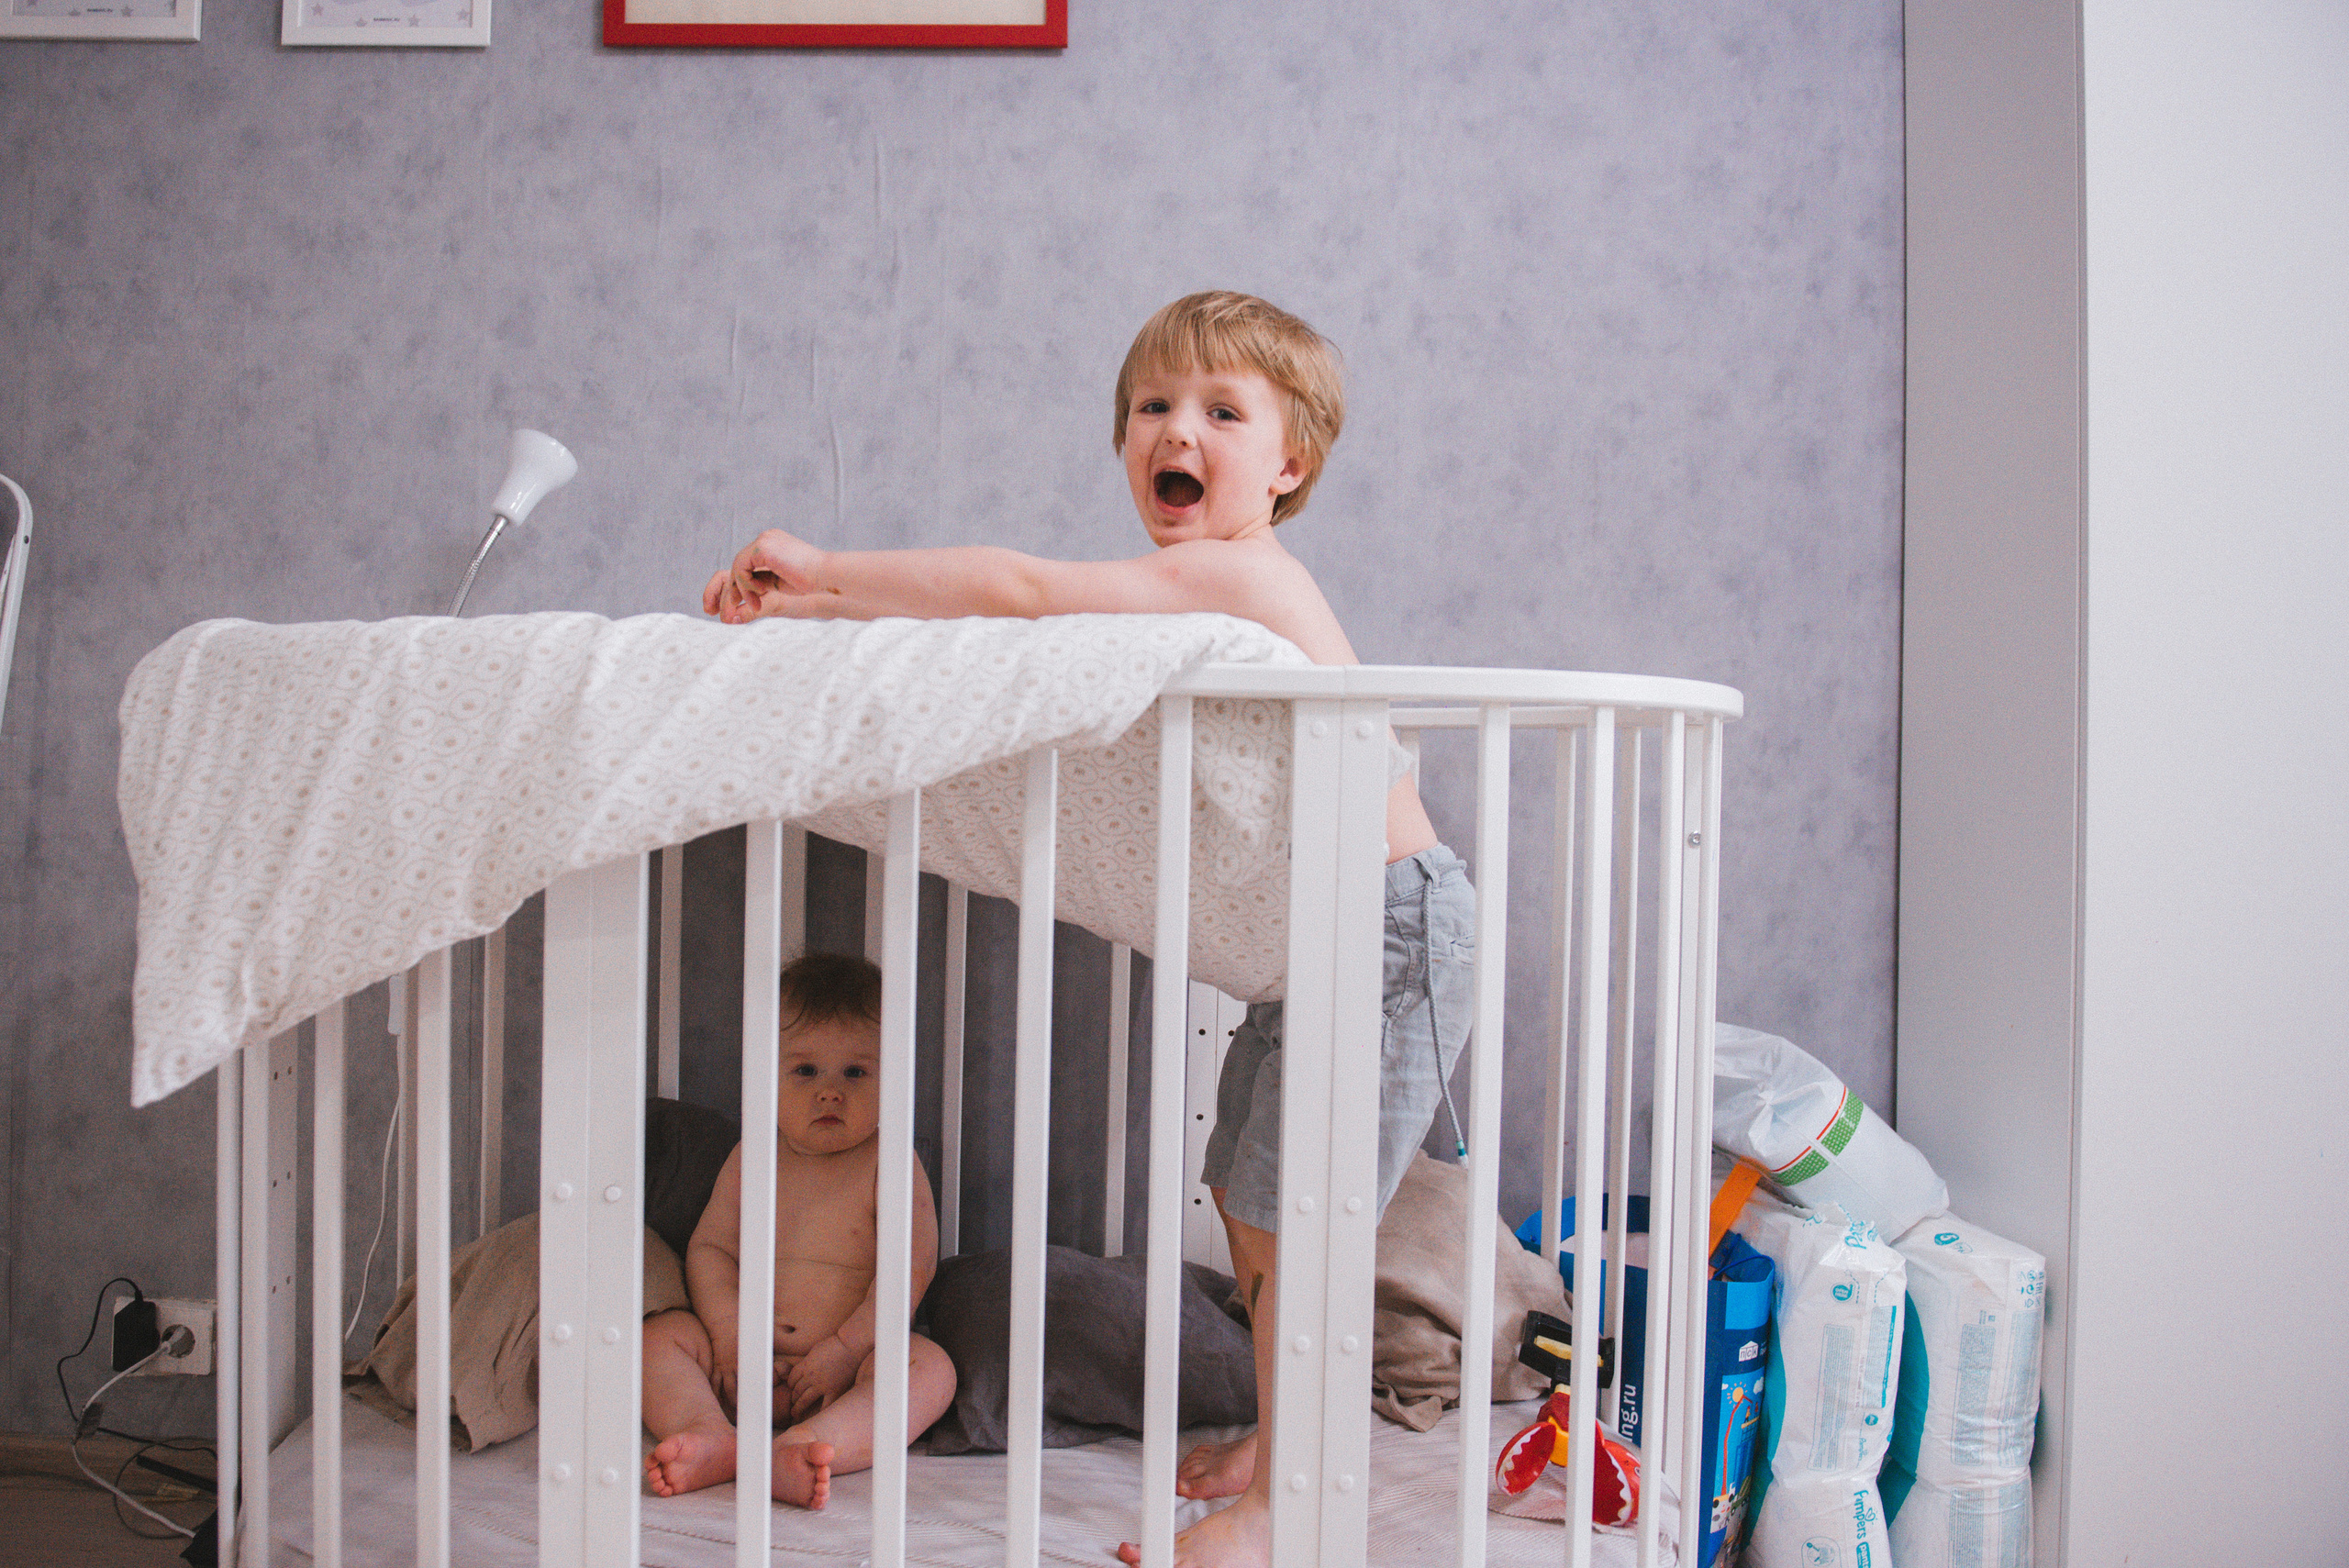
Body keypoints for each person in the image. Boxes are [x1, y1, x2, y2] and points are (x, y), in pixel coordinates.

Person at [704, 292, 1474, 1567]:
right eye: (1153, 408)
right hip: (1316, 951)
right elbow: (1007, 634)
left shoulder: (1240, 570)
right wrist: (815, 624)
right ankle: (1275, 1444)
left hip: (1389, 937)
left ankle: (1290, 1507)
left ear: (1288, 467)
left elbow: (1016, 592)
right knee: (1247, 1187)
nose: (1179, 429)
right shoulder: (1188, 593)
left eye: (1223, 412)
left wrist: (825, 570)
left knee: (1304, 1217)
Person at [640, 953, 956, 1508]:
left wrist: (843, 1349)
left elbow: (910, 1268)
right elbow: (711, 1250)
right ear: (767, 1072)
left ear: (894, 1076)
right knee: (655, 1339)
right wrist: (730, 1336)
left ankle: (811, 1442)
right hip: (739, 1368)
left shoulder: (890, 1163)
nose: (830, 1091)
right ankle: (711, 1433)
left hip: (847, 1371)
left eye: (855, 1072)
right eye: (805, 1070)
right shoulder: (753, 1157)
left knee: (929, 1369)